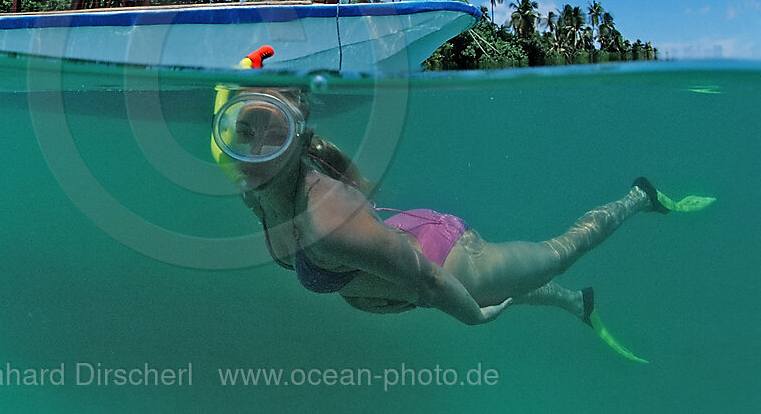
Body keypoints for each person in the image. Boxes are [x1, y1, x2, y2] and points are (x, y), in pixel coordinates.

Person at [212, 86, 715, 362]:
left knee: (559, 253)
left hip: (445, 262)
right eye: (243, 131)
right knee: (523, 283)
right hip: (397, 254)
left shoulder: (328, 220)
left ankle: (640, 197)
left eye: (272, 136)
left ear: (298, 138)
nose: (253, 154)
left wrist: (470, 317)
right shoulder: (253, 191)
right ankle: (574, 302)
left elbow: (430, 281)